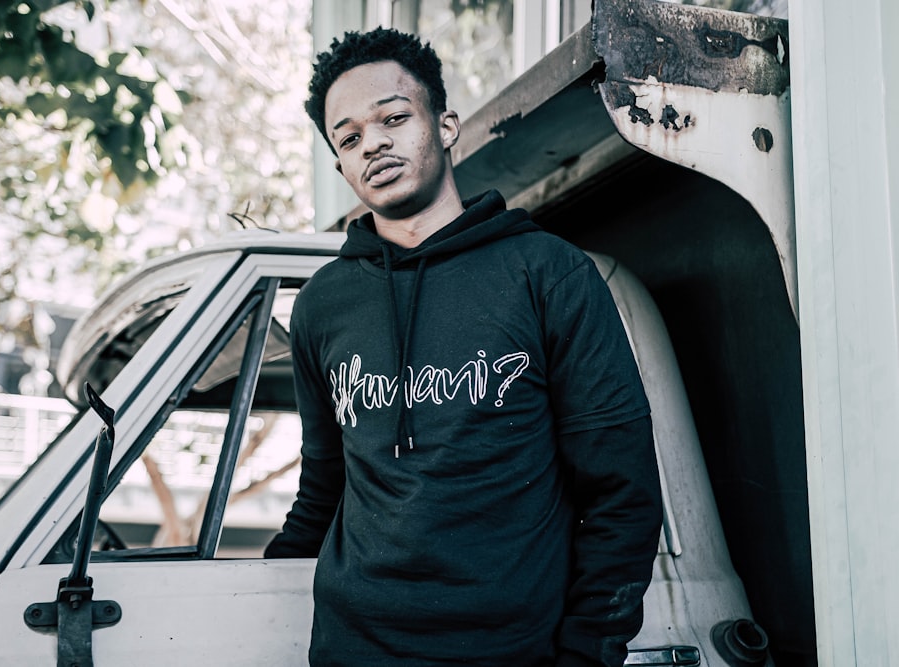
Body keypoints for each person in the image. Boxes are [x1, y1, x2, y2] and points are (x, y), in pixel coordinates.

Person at [265, 27, 663, 667]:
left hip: (512, 651)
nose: (375, 144)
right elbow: (325, 484)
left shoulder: (546, 273)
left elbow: (624, 491)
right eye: (350, 137)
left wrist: (587, 652)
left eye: (394, 118)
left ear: (446, 126)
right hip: (351, 651)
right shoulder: (322, 305)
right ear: (340, 164)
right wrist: (253, 583)